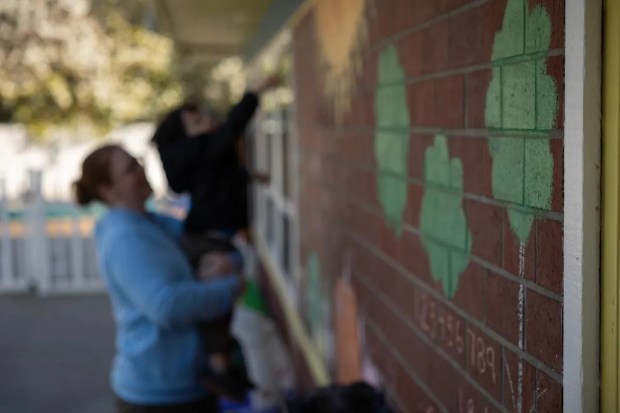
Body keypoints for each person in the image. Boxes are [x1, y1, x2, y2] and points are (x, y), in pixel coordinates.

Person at [73, 144, 243, 413]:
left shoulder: (155, 223)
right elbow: (167, 306)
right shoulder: (124, 238)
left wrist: (227, 262)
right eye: (129, 170)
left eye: (137, 162)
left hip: (189, 383)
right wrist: (232, 287)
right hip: (156, 396)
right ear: (108, 191)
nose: (141, 170)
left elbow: (215, 246)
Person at [151, 75, 278, 400]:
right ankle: (218, 366)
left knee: (223, 305)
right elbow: (231, 129)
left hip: (212, 236)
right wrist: (252, 93)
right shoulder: (200, 149)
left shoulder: (204, 157)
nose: (208, 120)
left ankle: (222, 365)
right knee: (218, 305)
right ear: (186, 138)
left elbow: (219, 176)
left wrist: (249, 175)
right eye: (196, 120)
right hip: (209, 240)